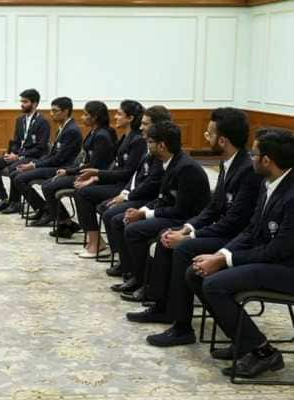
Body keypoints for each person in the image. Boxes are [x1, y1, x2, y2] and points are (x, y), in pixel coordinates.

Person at [129, 108, 261, 347]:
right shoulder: (228, 163)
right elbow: (212, 209)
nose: (204, 136)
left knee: (183, 249)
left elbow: (234, 221)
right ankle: (162, 306)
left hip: (237, 239)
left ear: (222, 140)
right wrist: (186, 229)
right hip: (222, 232)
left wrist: (191, 237)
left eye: (208, 133)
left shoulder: (247, 171)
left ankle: (182, 327)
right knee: (168, 237)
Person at [186, 128, 294, 379]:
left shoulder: (291, 196)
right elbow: (251, 230)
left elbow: (278, 250)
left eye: (254, 153)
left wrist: (224, 260)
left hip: (287, 268)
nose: (251, 157)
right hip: (271, 260)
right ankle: (244, 341)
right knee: (195, 273)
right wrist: (220, 254)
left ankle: (263, 352)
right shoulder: (271, 183)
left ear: (267, 160)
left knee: (213, 284)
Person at [111, 120, 211, 302]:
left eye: (150, 142)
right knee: (128, 222)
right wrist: (141, 210)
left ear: (162, 145)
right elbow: (163, 198)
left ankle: (146, 284)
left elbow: (181, 210)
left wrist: (145, 215)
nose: (147, 145)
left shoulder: (185, 167)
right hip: (174, 213)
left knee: (134, 230)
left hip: (187, 219)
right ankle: (138, 277)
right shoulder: (170, 162)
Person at [102, 106, 171, 277]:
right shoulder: (148, 147)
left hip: (149, 198)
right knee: (107, 208)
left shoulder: (162, 151)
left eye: (145, 124)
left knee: (115, 216)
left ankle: (131, 266)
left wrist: (127, 197)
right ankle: (124, 259)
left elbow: (152, 184)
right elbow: (135, 175)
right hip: (138, 194)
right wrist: (123, 194)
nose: (141, 128)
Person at [71, 100, 146, 257]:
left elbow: (127, 173)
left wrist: (97, 173)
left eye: (119, 114)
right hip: (117, 182)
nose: (115, 117)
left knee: (84, 193)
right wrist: (95, 178)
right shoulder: (126, 136)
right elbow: (115, 166)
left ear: (130, 118)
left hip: (125, 187)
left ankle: (97, 243)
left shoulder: (137, 140)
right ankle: (95, 241)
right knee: (82, 190)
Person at [40, 100, 117, 238]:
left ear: (95, 117)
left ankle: (66, 223)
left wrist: (70, 171)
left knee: (48, 186)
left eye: (86, 114)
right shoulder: (95, 131)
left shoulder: (102, 136)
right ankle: (66, 222)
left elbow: (95, 166)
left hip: (94, 177)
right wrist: (70, 170)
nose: (82, 117)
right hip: (84, 172)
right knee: (47, 184)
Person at [11, 96, 82, 223]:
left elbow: (58, 159)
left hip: (63, 168)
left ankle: (49, 211)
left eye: (55, 111)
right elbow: (52, 155)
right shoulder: (63, 127)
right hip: (55, 164)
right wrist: (34, 163)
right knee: (17, 174)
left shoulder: (71, 130)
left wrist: (34, 166)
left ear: (65, 111)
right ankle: (44, 209)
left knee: (19, 178)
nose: (51, 114)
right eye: (51, 110)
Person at [0, 89, 50, 212]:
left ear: (35, 104)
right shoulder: (20, 120)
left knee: (13, 168)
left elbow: (40, 147)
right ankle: (3, 199)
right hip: (19, 154)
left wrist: (19, 156)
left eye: (25, 102)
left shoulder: (43, 122)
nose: (22, 104)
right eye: (21, 101)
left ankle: (15, 202)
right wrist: (12, 153)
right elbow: (16, 141)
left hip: (34, 157)